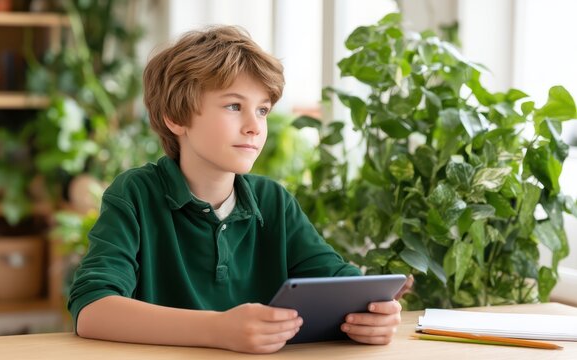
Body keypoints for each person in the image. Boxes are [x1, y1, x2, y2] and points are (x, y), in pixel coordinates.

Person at [68, 25, 409, 354]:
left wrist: (374, 315)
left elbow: (341, 285)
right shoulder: (135, 194)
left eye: (262, 110)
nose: (254, 127)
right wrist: (219, 329)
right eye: (234, 106)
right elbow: (92, 309)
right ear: (176, 117)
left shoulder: (273, 201)